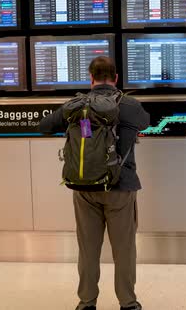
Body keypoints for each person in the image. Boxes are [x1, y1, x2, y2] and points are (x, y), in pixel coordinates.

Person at [40, 56, 150, 310]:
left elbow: (45, 125)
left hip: (84, 189)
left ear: (90, 78)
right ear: (116, 78)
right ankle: (128, 303)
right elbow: (146, 122)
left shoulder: (76, 105)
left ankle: (86, 302)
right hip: (121, 187)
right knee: (124, 249)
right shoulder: (129, 104)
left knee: (88, 249)